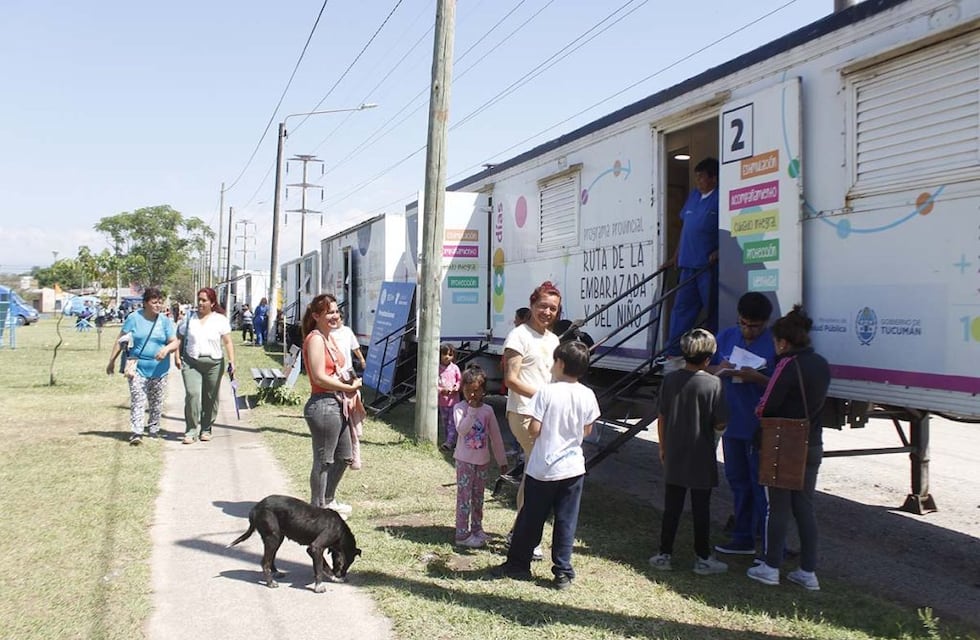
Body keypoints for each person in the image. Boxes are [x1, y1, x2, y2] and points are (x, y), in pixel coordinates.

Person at [492, 341, 600, 589]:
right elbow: (587, 430)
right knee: (566, 521)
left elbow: (534, 428)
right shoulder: (587, 394)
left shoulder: (546, 392)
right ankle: (562, 571)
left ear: (560, 363)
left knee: (531, 518)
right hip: (573, 469)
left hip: (543, 469)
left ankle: (518, 564)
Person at [747, 305, 831, 591]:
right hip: (812, 441)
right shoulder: (821, 363)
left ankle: (771, 567)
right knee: (804, 507)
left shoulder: (787, 364)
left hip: (784, 443)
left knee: (778, 507)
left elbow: (766, 405)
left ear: (783, 342)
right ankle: (808, 571)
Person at [648, 328, 729, 575]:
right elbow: (721, 422)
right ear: (708, 358)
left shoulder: (671, 380)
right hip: (701, 453)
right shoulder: (714, 383)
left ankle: (664, 554)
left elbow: (661, 417)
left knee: (672, 506)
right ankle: (702, 557)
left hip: (675, 451)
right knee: (701, 508)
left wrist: (663, 447)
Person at [709, 292, 776, 556]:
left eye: (754, 326)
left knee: (761, 486)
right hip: (731, 421)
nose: (748, 331)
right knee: (737, 481)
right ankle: (742, 537)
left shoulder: (774, 344)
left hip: (759, 427)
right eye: (744, 324)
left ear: (765, 322)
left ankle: (769, 544)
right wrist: (720, 369)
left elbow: (784, 384)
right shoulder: (726, 336)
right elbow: (703, 368)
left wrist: (758, 378)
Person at [503, 281, 562, 560]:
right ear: (532, 305)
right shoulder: (519, 336)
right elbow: (511, 379)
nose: (547, 312)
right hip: (524, 413)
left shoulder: (553, 340)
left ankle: (520, 531)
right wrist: (544, 396)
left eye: (553, 309)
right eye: (542, 306)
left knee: (534, 472)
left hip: (546, 414)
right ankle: (525, 534)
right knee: (538, 473)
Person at [301, 293, 363, 516]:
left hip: (338, 403)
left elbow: (337, 369)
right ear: (316, 316)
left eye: (336, 311)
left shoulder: (330, 338)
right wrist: (348, 387)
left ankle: (328, 500)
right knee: (324, 460)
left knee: (345, 455)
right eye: (329, 313)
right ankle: (317, 510)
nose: (335, 316)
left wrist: (350, 383)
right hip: (324, 405)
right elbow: (319, 377)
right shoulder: (316, 339)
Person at [661, 157, 720, 361]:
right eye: (697, 177)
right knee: (681, 309)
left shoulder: (720, 197)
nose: (698, 181)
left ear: (713, 178)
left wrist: (721, 250)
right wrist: (675, 256)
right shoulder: (694, 196)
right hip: (687, 264)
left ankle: (712, 355)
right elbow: (686, 229)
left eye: (702, 177)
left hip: (707, 266)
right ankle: (673, 352)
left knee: (712, 311)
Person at [105, 287, 179, 445]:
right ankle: (137, 432)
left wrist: (166, 350)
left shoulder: (164, 321)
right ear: (145, 303)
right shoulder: (133, 318)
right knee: (138, 399)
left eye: (160, 302)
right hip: (137, 367)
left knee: (156, 401)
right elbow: (120, 340)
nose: (158, 305)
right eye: (154, 302)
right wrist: (112, 361)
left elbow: (174, 342)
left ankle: (153, 428)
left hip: (159, 369)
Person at [452, 365, 508, 549]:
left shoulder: (488, 411)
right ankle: (462, 534)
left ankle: (477, 529)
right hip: (464, 461)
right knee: (464, 497)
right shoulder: (459, 408)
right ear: (462, 389)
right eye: (468, 391)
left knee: (478, 497)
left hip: (482, 462)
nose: (472, 395)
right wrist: (472, 412)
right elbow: (462, 430)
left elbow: (496, 437)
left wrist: (502, 461)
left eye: (476, 391)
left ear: (483, 390)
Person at [176, 287, 236, 445]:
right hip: (191, 363)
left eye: (204, 300)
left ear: (212, 303)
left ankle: (206, 428)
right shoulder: (189, 319)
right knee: (193, 394)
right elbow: (179, 338)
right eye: (199, 300)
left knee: (210, 397)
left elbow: (228, 342)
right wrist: (176, 356)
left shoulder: (220, 320)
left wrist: (232, 361)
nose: (200, 303)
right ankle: (191, 430)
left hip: (214, 364)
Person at [437, 343, 462, 452]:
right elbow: (434, 384)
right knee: (445, 422)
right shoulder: (437, 369)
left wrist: (456, 387)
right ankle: (449, 440)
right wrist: (441, 390)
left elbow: (459, 380)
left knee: (453, 422)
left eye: (450, 355)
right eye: (444, 354)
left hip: (454, 401)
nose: (447, 357)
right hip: (442, 402)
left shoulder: (455, 368)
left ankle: (449, 442)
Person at [500, 307, 530, 395]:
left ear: (524, 319)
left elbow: (503, 365)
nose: (514, 321)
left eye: (516, 318)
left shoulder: (515, 336)